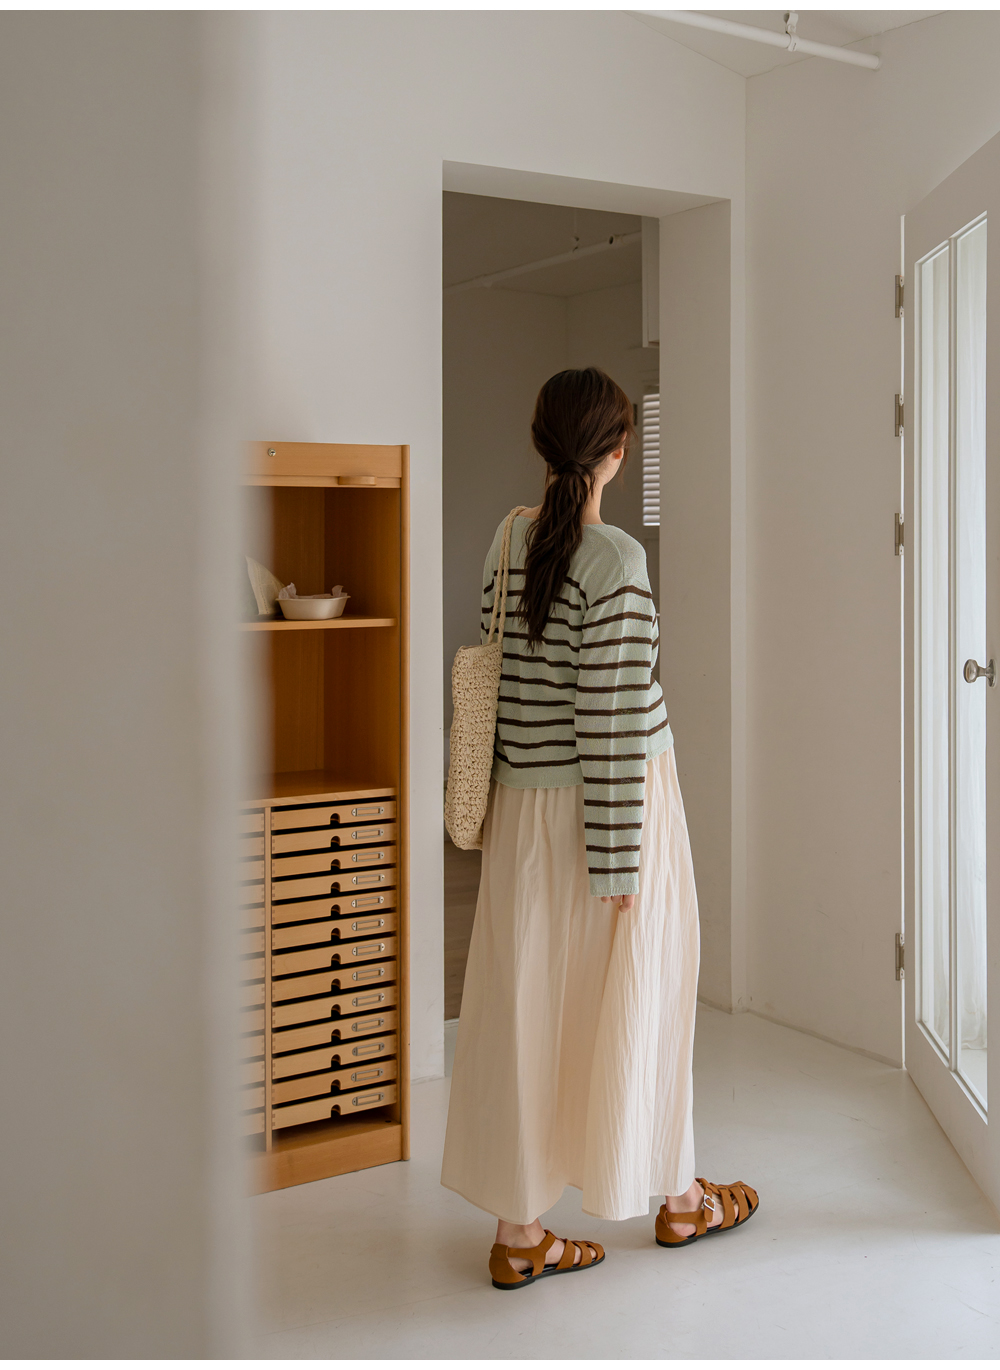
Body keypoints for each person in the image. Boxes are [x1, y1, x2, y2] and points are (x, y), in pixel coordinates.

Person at [440, 366, 758, 1290]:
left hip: (524, 812)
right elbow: (613, 720)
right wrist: (620, 866)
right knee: (643, 997)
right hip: (612, 810)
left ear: (541, 445)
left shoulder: (508, 537)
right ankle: (679, 1199)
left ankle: (520, 1233)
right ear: (618, 452)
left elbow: (501, 670)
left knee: (524, 1009)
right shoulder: (616, 560)